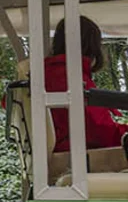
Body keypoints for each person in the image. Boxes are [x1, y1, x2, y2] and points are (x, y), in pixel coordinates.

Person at [45, 16, 128, 152]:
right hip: (76, 154)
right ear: (91, 46)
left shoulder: (47, 72)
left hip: (62, 148)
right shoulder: (69, 76)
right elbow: (99, 131)